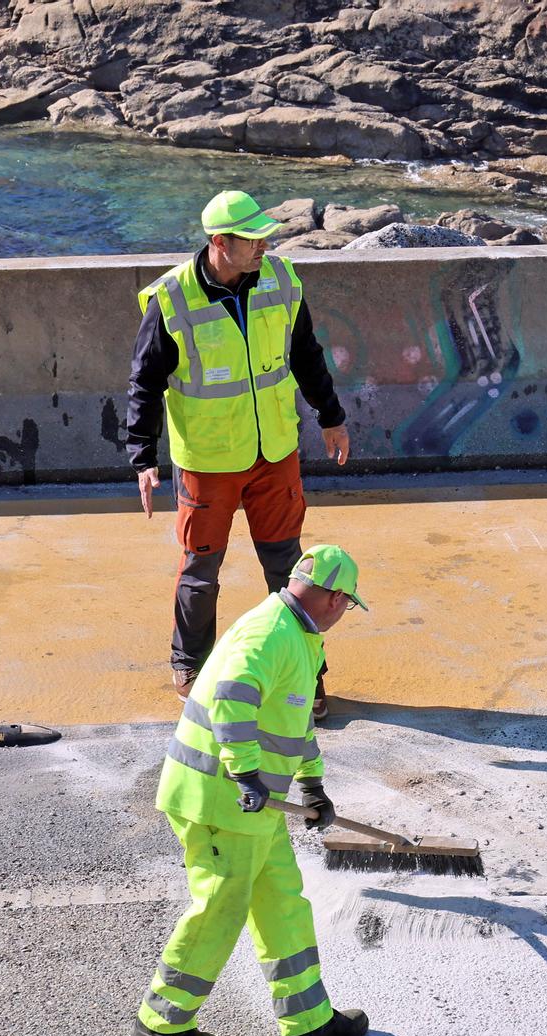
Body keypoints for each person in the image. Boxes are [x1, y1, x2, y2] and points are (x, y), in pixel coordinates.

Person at [132, 544, 371, 1036]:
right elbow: (232, 697)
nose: (344, 613)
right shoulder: (270, 633)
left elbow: (293, 723)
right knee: (220, 907)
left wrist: (312, 783)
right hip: (220, 801)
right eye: (348, 604)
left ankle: (308, 1020)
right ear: (335, 598)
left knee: (282, 902)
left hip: (257, 805)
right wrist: (244, 773)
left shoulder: (300, 637)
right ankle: (161, 1020)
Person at [126, 189, 351, 711]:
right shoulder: (171, 299)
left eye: (264, 237)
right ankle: (191, 665)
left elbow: (306, 354)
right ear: (219, 242)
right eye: (251, 239)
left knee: (290, 570)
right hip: (208, 462)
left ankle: (303, 674)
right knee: (200, 572)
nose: (263, 247)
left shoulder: (282, 280)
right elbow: (145, 382)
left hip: (275, 452)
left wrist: (331, 416)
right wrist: (143, 457)